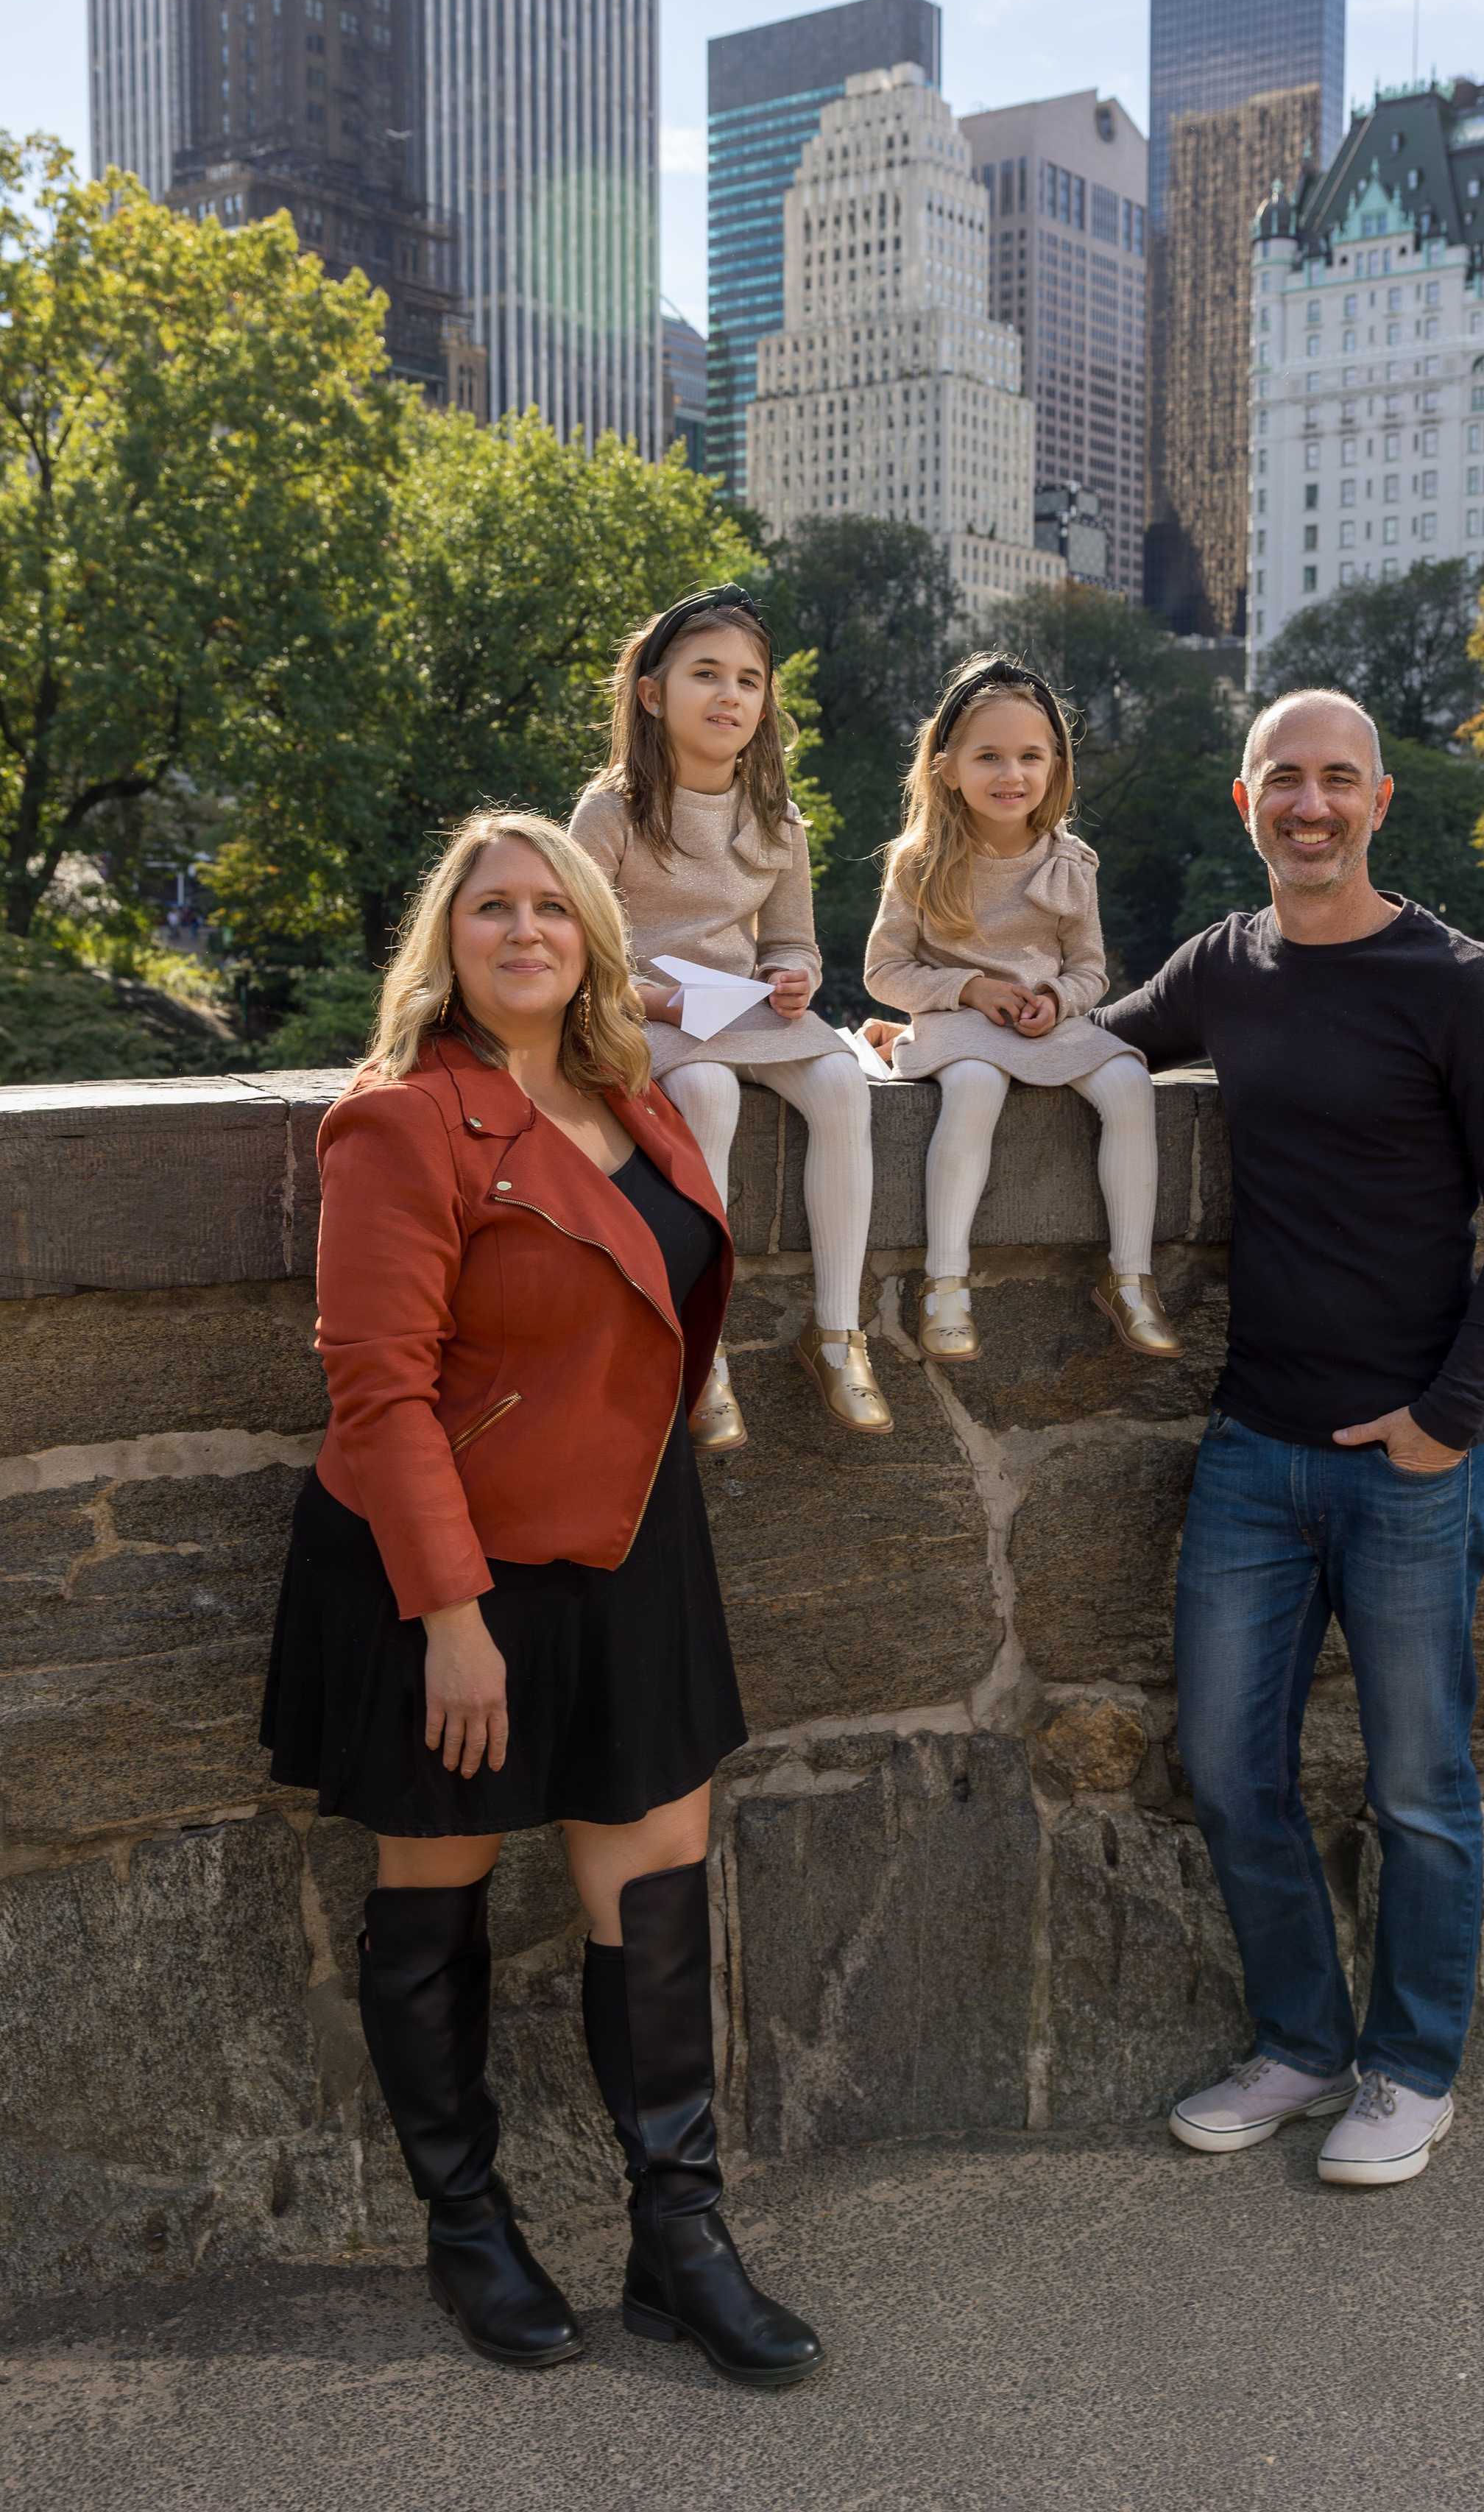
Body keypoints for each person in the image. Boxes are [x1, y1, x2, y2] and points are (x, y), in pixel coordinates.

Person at [261, 811, 821, 2385]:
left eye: (550, 910)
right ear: (445, 945)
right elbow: (378, 1393)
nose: (522, 931)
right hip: (448, 1564)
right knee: (433, 1889)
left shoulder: (631, 1099)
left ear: (589, 938)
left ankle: (678, 2240)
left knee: (650, 1888)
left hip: (631, 1538)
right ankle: (467, 2231)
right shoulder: (401, 1123)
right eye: (488, 908)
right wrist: (450, 1618)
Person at [1097, 690, 1484, 2188]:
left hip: (1404, 1462)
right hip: (1251, 1445)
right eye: (1279, 783)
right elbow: (1091, 1054)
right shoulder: (1222, 968)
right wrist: (915, 1040)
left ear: (1376, 804)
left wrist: (1444, 1422)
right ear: (1245, 806)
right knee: (1227, 1772)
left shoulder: (1458, 984)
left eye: (1334, 782)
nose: (1307, 806)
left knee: (1417, 1788)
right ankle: (1302, 2046)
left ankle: (1409, 2070)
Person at [570, 585, 888, 1448]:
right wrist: (665, 1000)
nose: (729, 696)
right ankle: (699, 1351)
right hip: (648, 1012)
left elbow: (796, 945)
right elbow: (579, 957)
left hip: (743, 1009)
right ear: (651, 694)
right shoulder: (610, 814)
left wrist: (789, 976)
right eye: (705, 674)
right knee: (707, 1093)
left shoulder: (777, 821)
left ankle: (836, 1333)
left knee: (841, 1086)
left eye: (748, 681)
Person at [863, 652, 1176, 1365]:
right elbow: (883, 971)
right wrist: (967, 989)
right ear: (946, 767)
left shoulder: (1070, 863)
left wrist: (1058, 1000)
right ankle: (945, 1280)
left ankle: (1130, 1275)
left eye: (1031, 757)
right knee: (974, 1087)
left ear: (1056, 765)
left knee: (1129, 1084)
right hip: (957, 1024)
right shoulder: (920, 862)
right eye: (989, 757)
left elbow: (1088, 969)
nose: (1012, 775)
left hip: (1045, 1025)